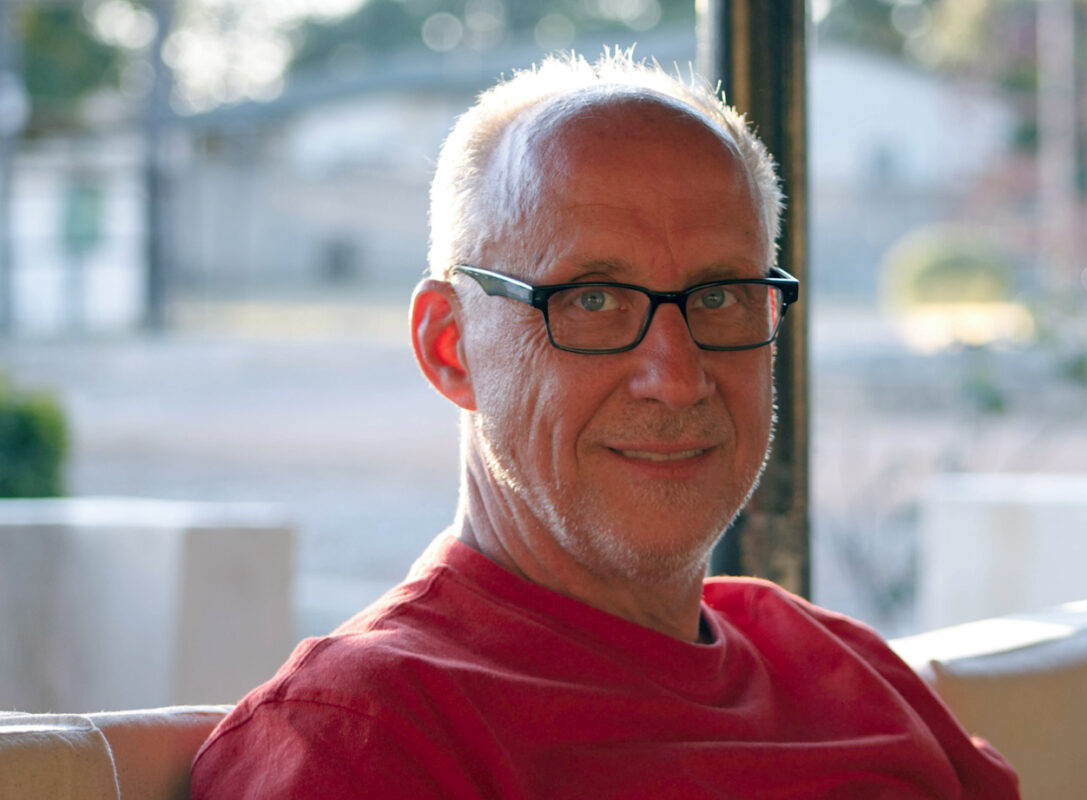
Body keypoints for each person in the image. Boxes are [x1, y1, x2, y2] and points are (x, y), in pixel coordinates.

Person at [191, 51, 1020, 799]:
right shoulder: (366, 737)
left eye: (720, 296)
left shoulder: (849, 674)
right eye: (591, 299)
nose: (677, 378)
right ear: (450, 346)